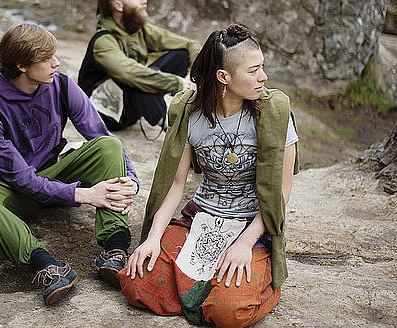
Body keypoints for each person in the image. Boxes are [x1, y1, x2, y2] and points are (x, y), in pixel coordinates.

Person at [117, 24, 300, 327]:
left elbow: (280, 193)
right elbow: (177, 185)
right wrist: (152, 238)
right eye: (254, 70)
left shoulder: (274, 111)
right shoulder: (189, 113)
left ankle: (262, 285)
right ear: (223, 77)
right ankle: (213, 287)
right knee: (136, 281)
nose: (263, 77)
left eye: (262, 67)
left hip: (252, 226)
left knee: (228, 312)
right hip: (201, 218)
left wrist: (244, 243)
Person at [0, 24, 139, 306]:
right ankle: (46, 266)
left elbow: (100, 134)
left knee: (109, 147)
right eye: (46, 58)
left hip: (57, 172)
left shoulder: (62, 84)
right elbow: (21, 178)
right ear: (21, 65)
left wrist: (131, 180)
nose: (56, 63)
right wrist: (82, 194)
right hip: (16, 190)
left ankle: (115, 250)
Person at [77, 0, 201, 134]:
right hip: (105, 116)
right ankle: (174, 129)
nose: (144, 0)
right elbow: (129, 74)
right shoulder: (103, 41)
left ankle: (170, 117)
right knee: (136, 79)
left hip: (131, 105)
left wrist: (192, 78)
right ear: (119, 6)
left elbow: (191, 44)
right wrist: (177, 83)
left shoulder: (139, 29)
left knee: (181, 55)